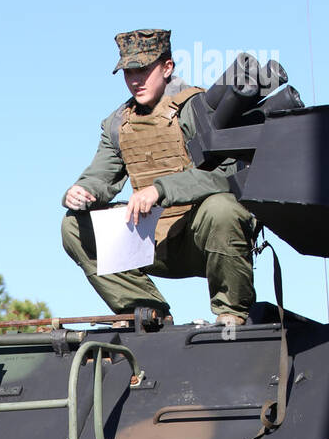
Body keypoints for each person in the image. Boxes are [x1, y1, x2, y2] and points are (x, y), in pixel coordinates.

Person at [61, 28, 256, 327]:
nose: (135, 80)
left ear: (167, 68)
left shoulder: (198, 108)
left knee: (222, 208)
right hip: (152, 241)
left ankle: (231, 312)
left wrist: (160, 189)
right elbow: (100, 176)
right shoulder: (117, 123)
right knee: (74, 226)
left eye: (143, 70)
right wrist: (81, 192)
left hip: (202, 238)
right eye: (128, 72)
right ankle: (145, 312)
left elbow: (228, 174)